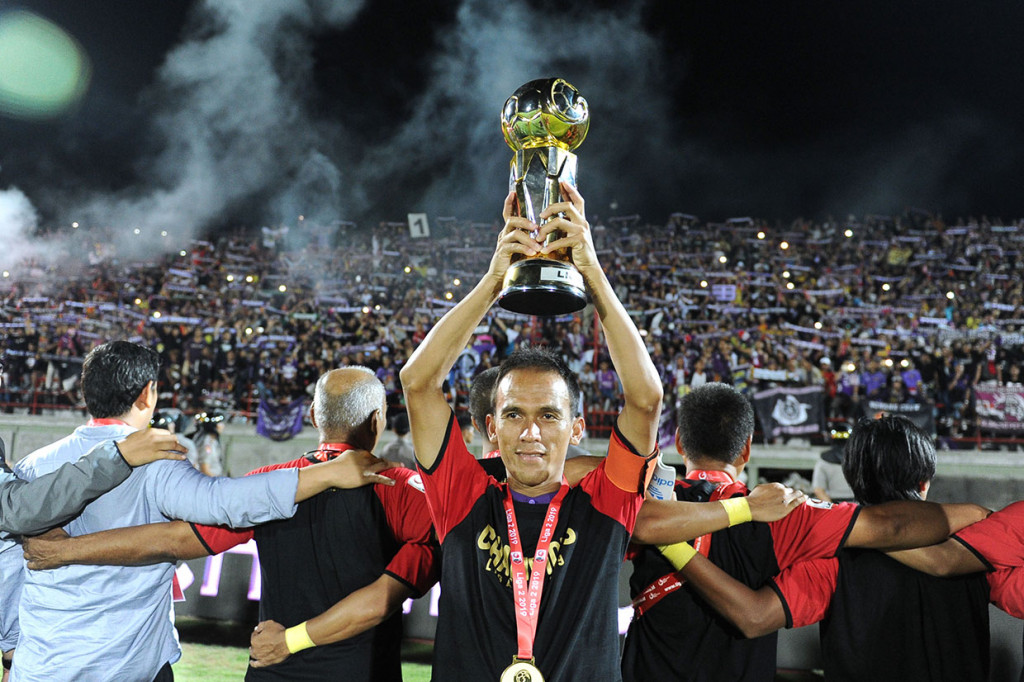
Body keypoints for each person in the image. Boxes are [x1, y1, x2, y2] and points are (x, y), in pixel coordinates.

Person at [400, 184, 664, 681]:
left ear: (577, 427)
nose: (530, 432)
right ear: (491, 429)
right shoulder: (463, 493)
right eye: (514, 414)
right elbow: (418, 383)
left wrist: (593, 274)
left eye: (548, 415)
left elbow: (646, 399)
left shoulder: (608, 499)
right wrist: (494, 280)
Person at [11, 342, 395, 681]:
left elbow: (8, 567)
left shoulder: (32, 465)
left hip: (43, 660)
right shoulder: (157, 461)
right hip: (125, 663)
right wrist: (327, 472)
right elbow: (223, 503)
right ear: (148, 395)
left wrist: (12, 650)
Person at [620, 384, 989, 682]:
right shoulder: (789, 515)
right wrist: (979, 515)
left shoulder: (646, 510)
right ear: (747, 447)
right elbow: (890, 527)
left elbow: (755, 614)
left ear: (681, 442)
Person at [810, 423, 855, 503]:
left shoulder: (823, 461)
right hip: (858, 506)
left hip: (834, 504)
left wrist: (834, 509)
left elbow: (818, 490)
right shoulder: (861, 460)